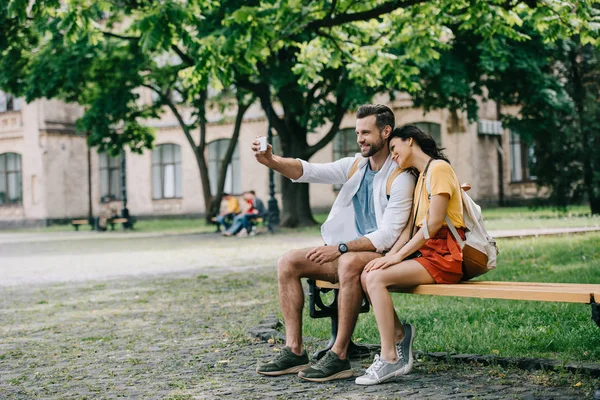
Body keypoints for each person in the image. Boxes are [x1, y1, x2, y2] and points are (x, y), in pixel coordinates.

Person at [252, 104, 415, 382]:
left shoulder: (400, 177)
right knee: (288, 262)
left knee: (349, 262)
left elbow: (388, 236)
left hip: (384, 254)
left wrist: (341, 248)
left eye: (366, 132)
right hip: (350, 251)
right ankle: (294, 350)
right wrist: (271, 160)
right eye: (357, 132)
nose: (360, 138)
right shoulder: (356, 165)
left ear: (386, 132)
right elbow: (309, 170)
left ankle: (339, 356)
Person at [356, 124, 466, 385]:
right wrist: (389, 256)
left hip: (444, 255)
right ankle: (398, 336)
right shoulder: (421, 177)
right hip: (425, 253)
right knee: (369, 273)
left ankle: (391, 357)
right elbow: (407, 232)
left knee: (375, 279)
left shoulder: (438, 168)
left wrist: (397, 257)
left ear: (410, 140)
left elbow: (434, 223)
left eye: (394, 147)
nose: (392, 154)